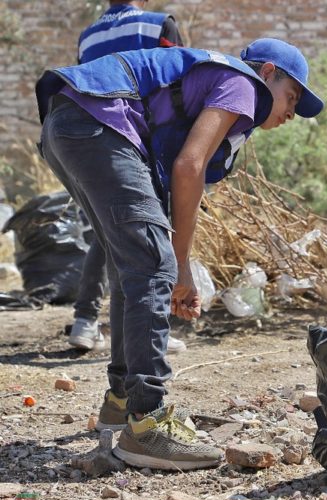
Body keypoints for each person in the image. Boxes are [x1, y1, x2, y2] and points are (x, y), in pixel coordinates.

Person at [35, 38, 323, 469]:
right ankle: (147, 424)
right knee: (150, 263)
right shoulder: (244, 86)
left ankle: (120, 402)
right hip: (98, 124)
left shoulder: (213, 98)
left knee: (132, 262)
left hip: (69, 124)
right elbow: (188, 167)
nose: (289, 113)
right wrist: (174, 264)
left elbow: (174, 192)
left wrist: (180, 269)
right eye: (291, 96)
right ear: (267, 74)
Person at [69, 0, 187, 353]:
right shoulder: (158, 25)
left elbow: (81, 86)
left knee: (107, 229)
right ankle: (153, 330)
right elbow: (178, 85)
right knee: (148, 233)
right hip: (141, 139)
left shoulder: (88, 36)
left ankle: (84, 321)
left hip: (94, 142)